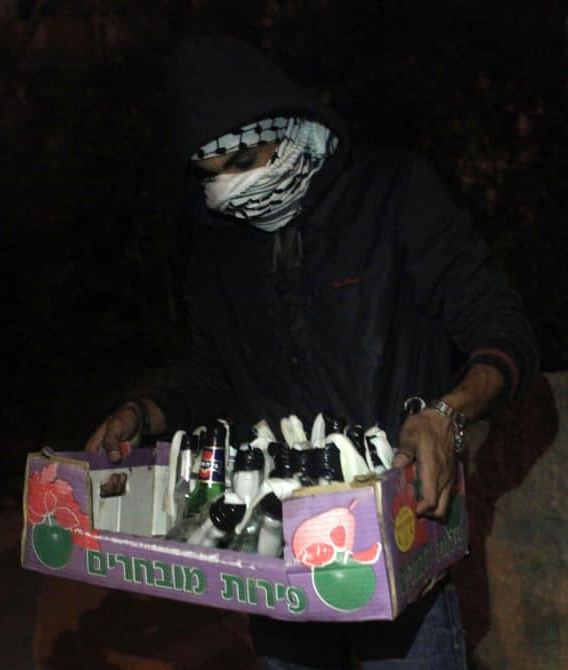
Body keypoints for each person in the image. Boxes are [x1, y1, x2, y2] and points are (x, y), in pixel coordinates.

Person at [85, 35, 539, 669]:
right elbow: (212, 371)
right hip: (274, 549)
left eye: (244, 158)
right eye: (210, 175)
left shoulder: (392, 197)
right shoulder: (221, 249)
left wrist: (448, 414)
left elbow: (501, 326)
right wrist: (146, 412)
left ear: (289, 128)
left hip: (395, 541)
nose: (230, 190)